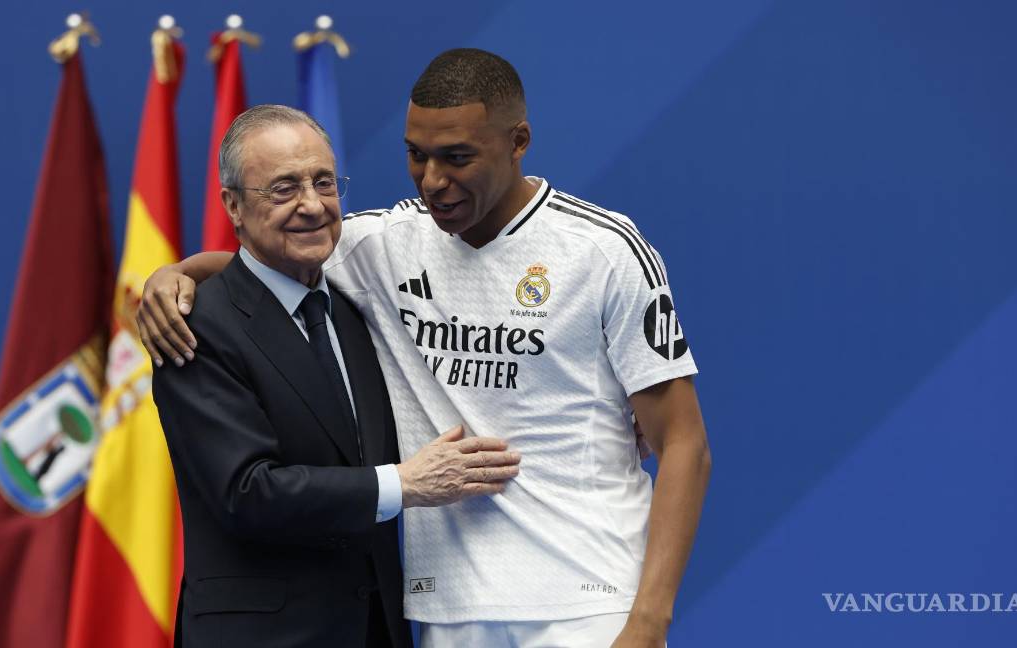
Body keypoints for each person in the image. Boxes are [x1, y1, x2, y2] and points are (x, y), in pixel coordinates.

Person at [142, 49, 711, 648]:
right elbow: (265, 264)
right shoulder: (382, 244)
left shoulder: (603, 250)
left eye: (457, 157)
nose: (434, 180)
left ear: (518, 142)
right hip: (443, 608)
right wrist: (176, 274)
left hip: (586, 604)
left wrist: (649, 621)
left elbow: (685, 444)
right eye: (417, 155)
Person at [151, 104, 521, 648]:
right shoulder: (196, 325)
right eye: (282, 189)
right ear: (233, 205)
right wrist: (406, 483)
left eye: (324, 182)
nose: (311, 205)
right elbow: (246, 493)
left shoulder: (357, 310)